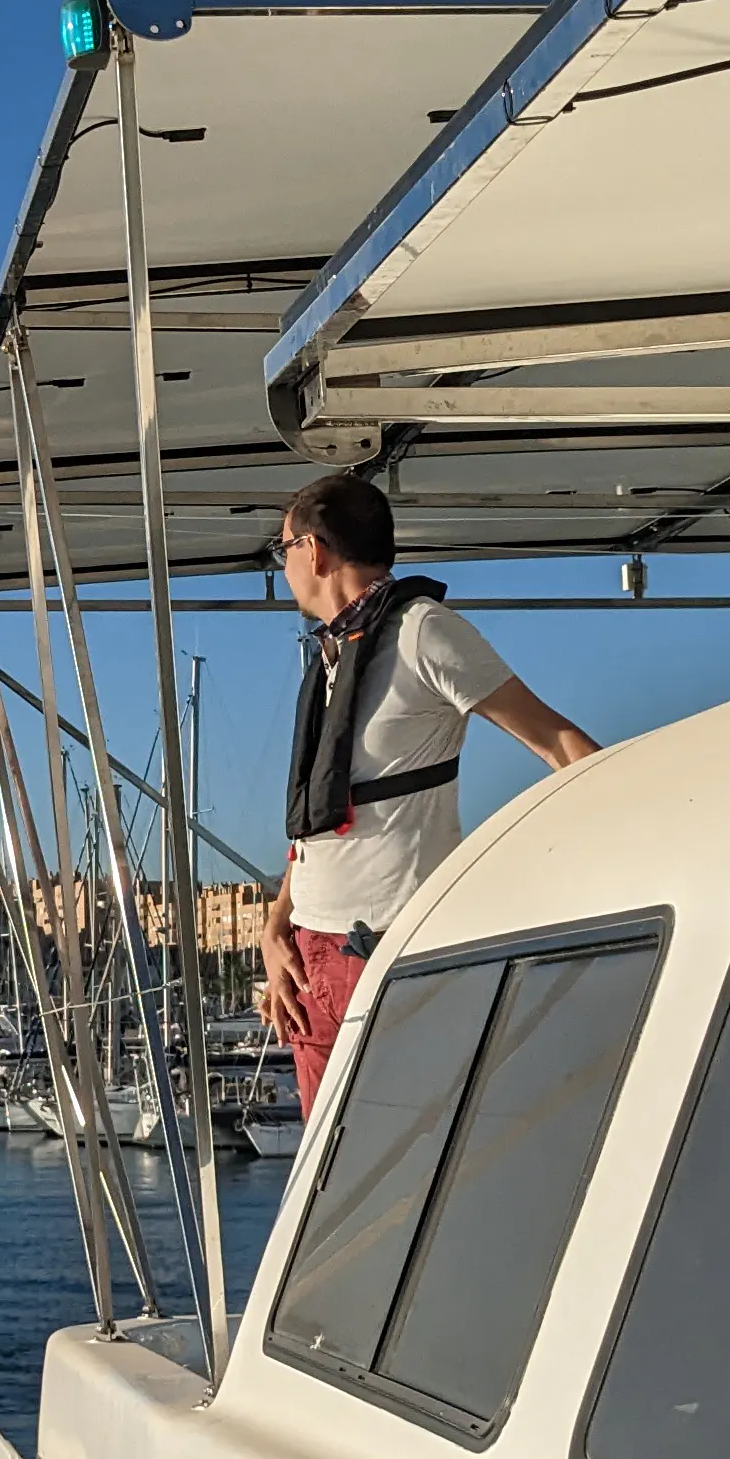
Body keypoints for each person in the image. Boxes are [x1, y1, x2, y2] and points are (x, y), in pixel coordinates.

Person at [255, 472, 596, 1108]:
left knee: (400, 1168)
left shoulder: (422, 632)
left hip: (389, 949)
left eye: (286, 551)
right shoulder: (335, 657)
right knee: (331, 1189)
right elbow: (323, 819)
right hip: (309, 961)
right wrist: (278, 928)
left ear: (317, 551)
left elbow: (558, 743)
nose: (286, 569)